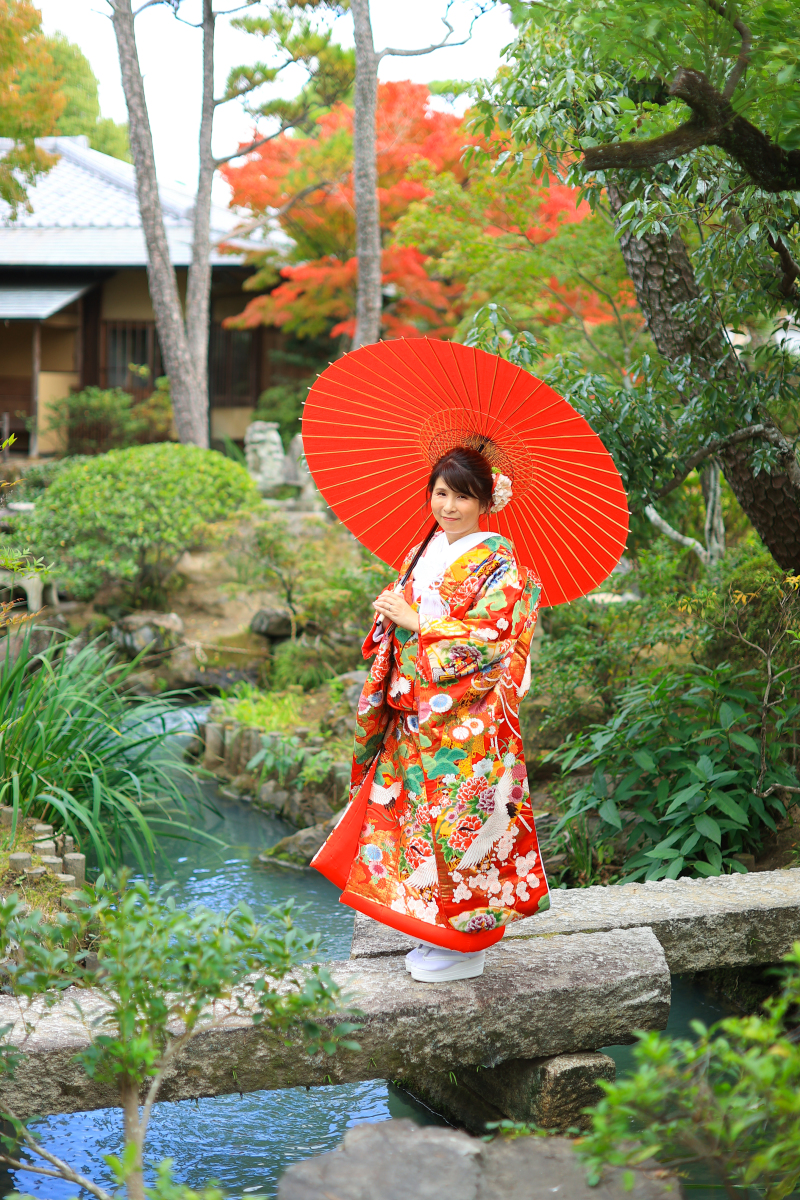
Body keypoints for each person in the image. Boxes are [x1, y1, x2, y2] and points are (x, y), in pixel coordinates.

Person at [312, 445, 549, 982]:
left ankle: (467, 944)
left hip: (465, 726)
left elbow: (493, 637)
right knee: (413, 827)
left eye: (463, 495)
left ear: (486, 500)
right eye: (442, 493)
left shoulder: (499, 563)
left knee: (461, 831)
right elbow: (401, 625)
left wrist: (418, 623)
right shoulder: (426, 551)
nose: (449, 506)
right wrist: (390, 616)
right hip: (415, 717)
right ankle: (434, 932)